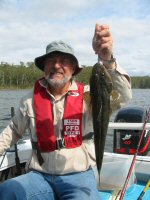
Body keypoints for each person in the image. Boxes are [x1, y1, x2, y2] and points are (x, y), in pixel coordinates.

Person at [0, 23, 132, 200]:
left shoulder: (89, 95)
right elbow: (13, 131)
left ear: (73, 68)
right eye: (50, 61)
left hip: (78, 176)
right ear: (44, 67)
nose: (56, 66)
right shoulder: (29, 99)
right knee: (8, 190)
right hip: (39, 175)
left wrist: (108, 60)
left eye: (63, 61)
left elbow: (123, 96)